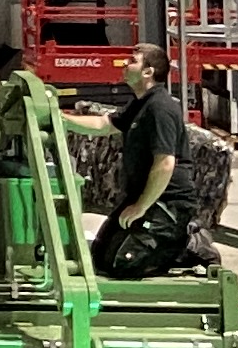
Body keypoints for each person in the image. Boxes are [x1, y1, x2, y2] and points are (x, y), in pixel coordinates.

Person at [67, 42, 194, 279]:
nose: (124, 64)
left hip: (167, 202)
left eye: (132, 61)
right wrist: (62, 119)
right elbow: (105, 124)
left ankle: (188, 246)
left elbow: (165, 163)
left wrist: (141, 206)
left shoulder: (160, 108)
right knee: (100, 257)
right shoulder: (140, 103)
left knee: (122, 265)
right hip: (143, 196)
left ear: (148, 72)